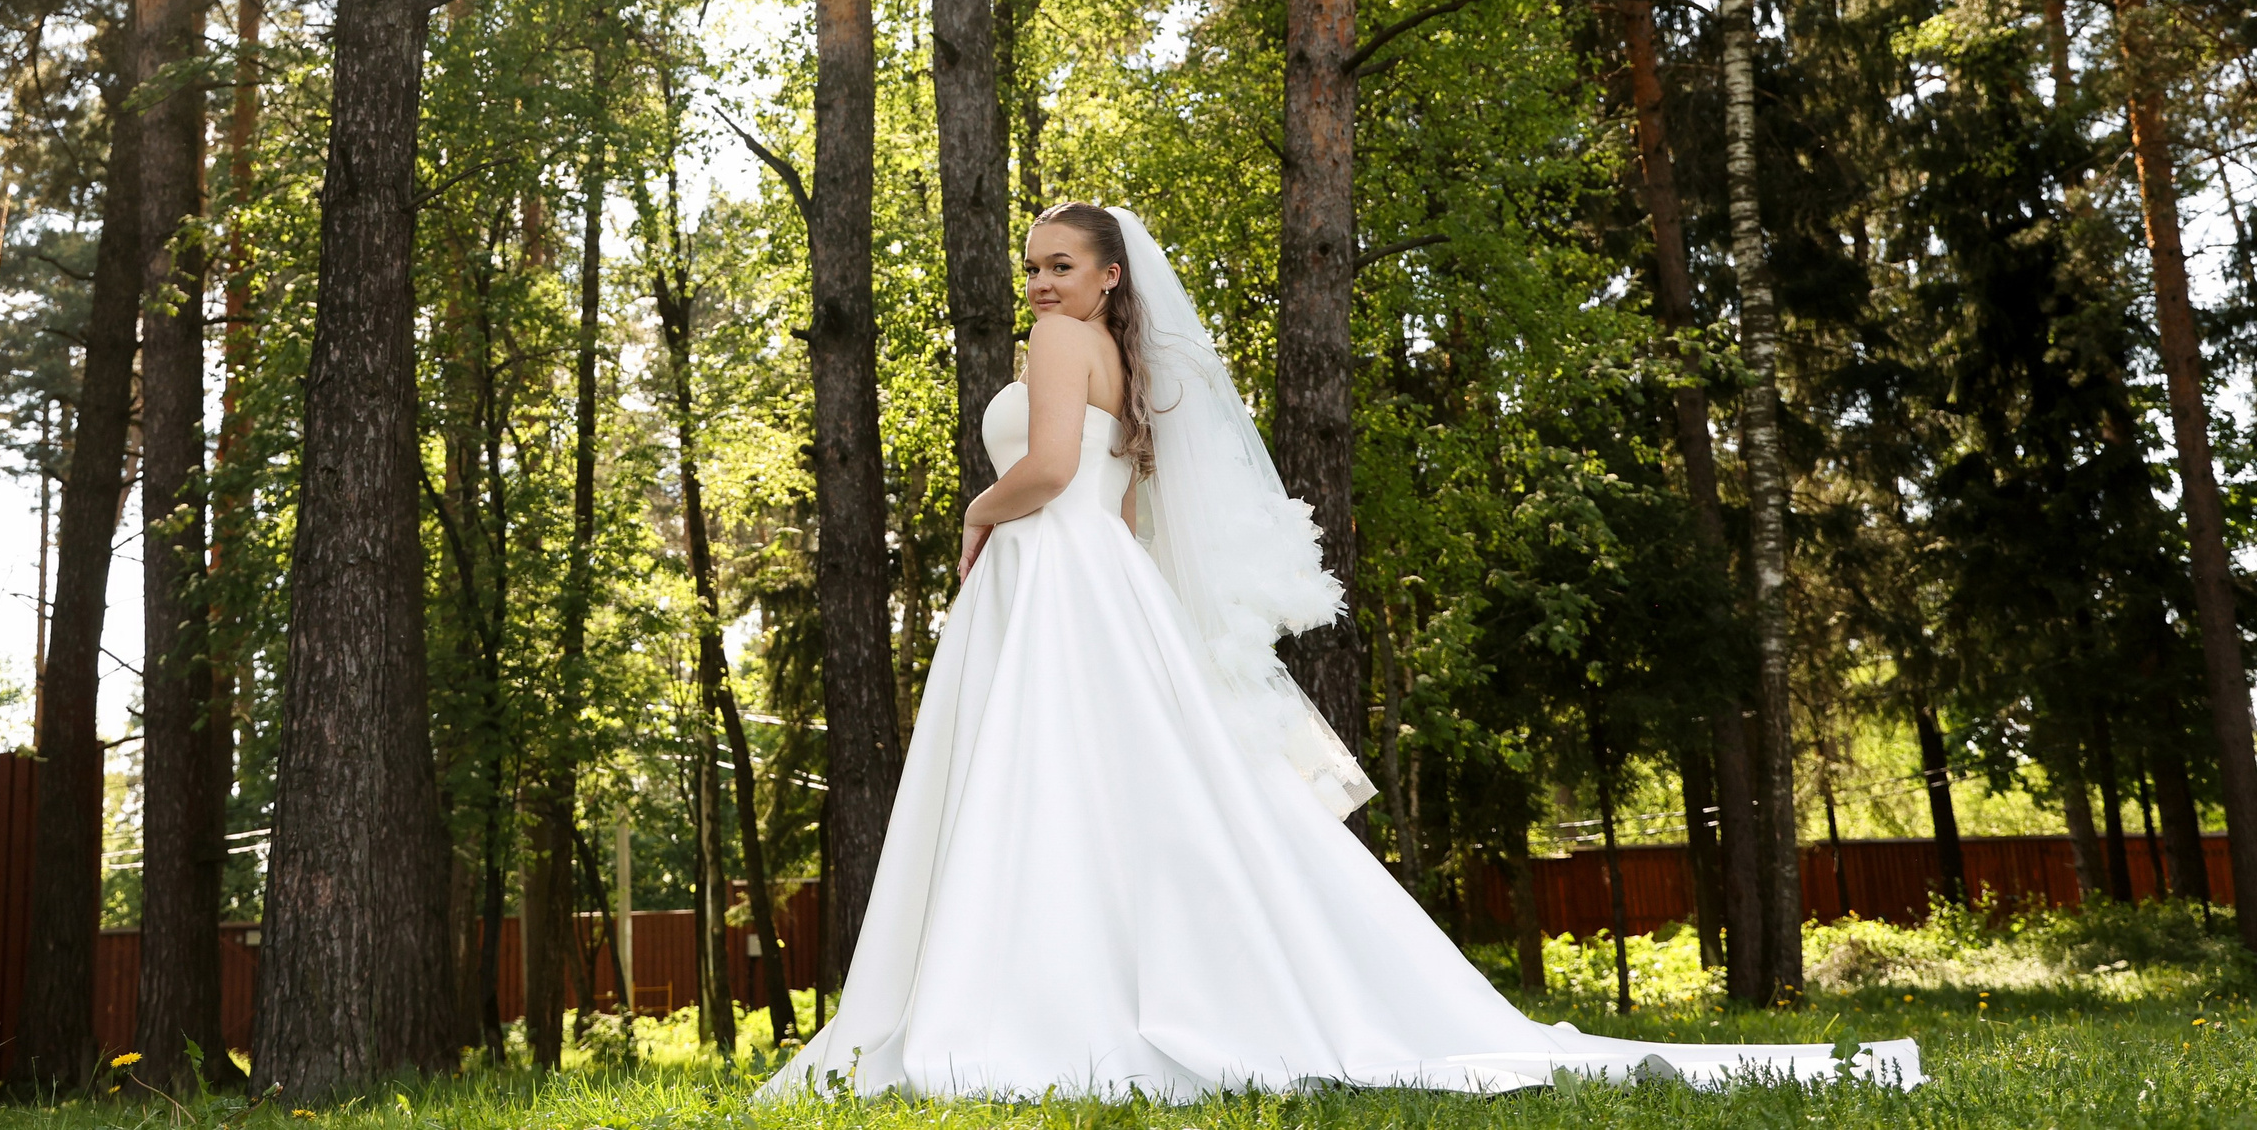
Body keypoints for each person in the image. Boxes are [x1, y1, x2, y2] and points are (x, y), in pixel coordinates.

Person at [758, 203, 1920, 1100]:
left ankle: (1025, 993)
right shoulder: (1128, 363)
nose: (1042, 283)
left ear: (1108, 277)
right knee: (1115, 797)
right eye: (1032, 267)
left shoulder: (1057, 345)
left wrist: (975, 513)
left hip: (1051, 578)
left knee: (1047, 790)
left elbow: (1055, 473)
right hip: (1094, 584)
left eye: (1061, 265)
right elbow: (1114, 508)